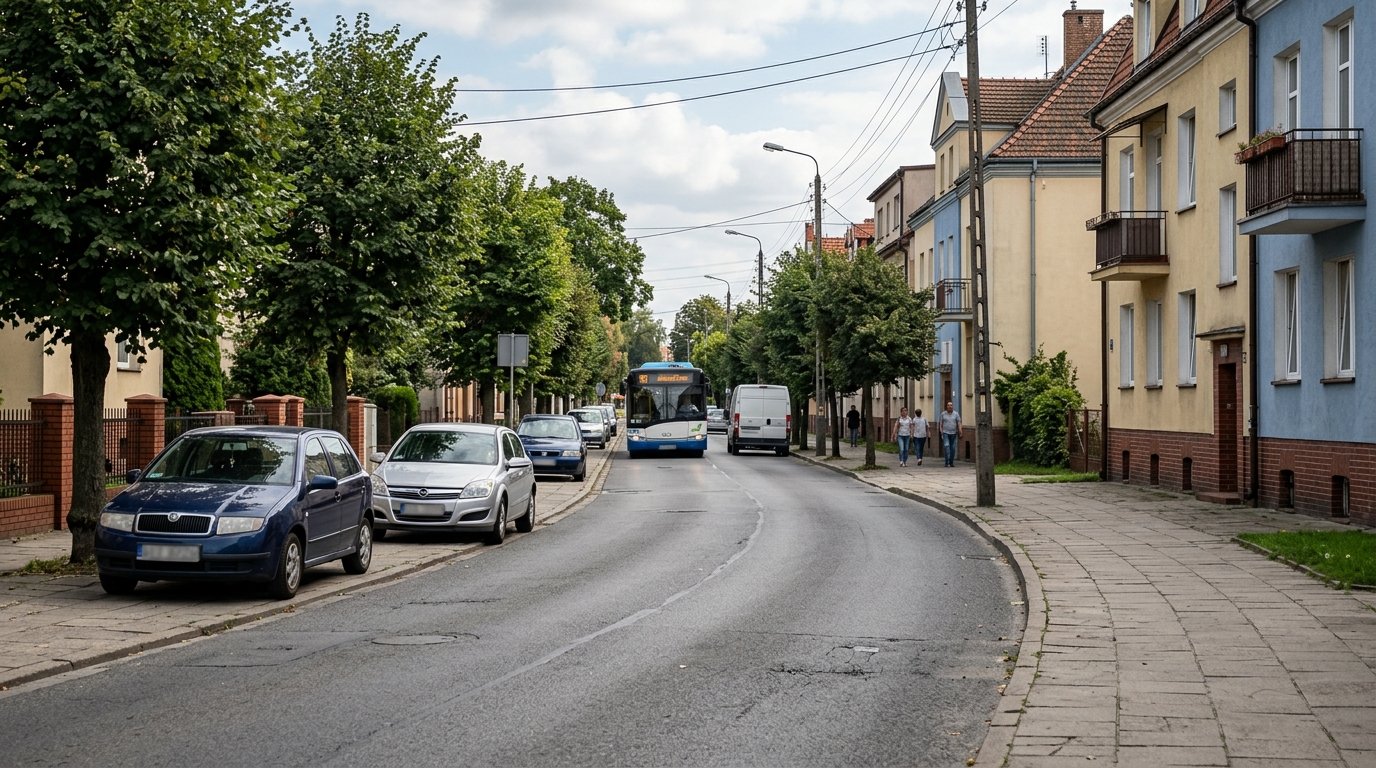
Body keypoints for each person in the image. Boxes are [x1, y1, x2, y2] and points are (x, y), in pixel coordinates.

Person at [939, 401, 961, 467]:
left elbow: (959, 422)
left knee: (953, 448)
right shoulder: (943, 414)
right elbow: (941, 423)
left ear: (952, 406)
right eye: (948, 405)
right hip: (945, 433)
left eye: (951, 405)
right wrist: (941, 431)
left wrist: (960, 431)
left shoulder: (956, 414)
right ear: (946, 406)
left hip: (954, 433)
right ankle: (946, 461)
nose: (950, 406)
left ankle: (951, 462)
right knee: (946, 446)